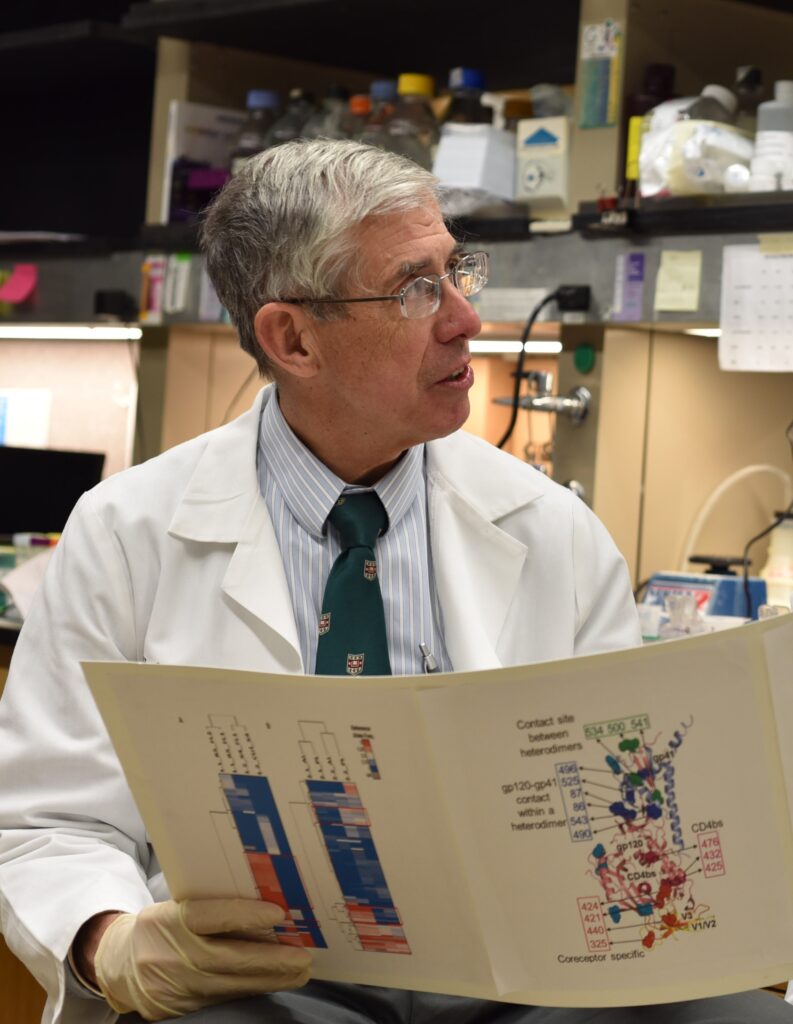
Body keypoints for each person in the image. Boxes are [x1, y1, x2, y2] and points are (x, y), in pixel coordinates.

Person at [0, 139, 787, 1024]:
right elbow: (46, 821)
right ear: (292, 338)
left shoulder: (551, 528)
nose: (465, 319)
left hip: (528, 979)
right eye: (415, 290)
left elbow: (618, 793)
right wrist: (109, 938)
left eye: (457, 272)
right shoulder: (126, 532)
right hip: (268, 979)